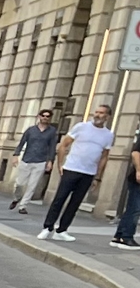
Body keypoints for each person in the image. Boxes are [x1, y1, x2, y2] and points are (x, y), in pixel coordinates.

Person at [38, 102, 116, 240]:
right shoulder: (81, 127)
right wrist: (60, 164)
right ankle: (47, 227)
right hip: (72, 168)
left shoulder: (108, 135)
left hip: (89, 172)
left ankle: (61, 230)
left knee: (75, 202)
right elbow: (63, 145)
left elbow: (104, 156)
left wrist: (98, 176)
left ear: (107, 117)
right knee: (59, 199)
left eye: (102, 113)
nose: (98, 115)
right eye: (97, 112)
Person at [9, 110, 59, 211]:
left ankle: (23, 206)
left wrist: (50, 161)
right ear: (39, 117)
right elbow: (22, 143)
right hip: (27, 159)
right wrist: (16, 155)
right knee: (20, 183)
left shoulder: (52, 131)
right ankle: (17, 198)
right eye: (43, 116)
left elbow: (52, 147)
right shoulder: (31, 130)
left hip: (41, 161)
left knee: (32, 185)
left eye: (48, 116)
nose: (45, 118)